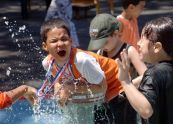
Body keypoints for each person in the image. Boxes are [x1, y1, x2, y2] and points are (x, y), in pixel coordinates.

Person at [39, 17, 124, 123]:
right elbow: (59, 81)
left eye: (64, 39)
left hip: (119, 87)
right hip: (101, 92)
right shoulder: (48, 64)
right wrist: (58, 88)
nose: (60, 44)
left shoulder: (81, 61)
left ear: (71, 41)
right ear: (45, 46)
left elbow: (102, 88)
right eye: (54, 41)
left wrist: (71, 88)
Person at [88, 13, 147, 124]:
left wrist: (125, 86)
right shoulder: (101, 52)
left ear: (115, 34)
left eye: (104, 42)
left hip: (126, 102)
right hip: (107, 100)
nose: (101, 46)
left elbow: (146, 75)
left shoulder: (129, 51)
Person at [116, 16, 173, 124]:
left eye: (142, 39)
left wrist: (125, 81)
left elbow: (146, 110)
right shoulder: (164, 71)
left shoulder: (153, 73)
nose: (138, 43)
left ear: (156, 47)